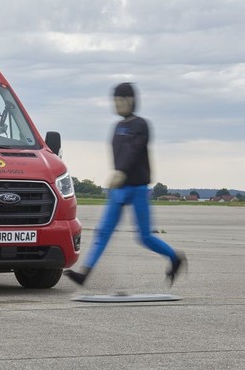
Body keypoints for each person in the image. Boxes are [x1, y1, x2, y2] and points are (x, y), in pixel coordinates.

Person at [65, 82, 187, 287]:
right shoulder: (118, 127)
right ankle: (85, 274)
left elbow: (135, 150)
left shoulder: (141, 125)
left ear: (131, 101)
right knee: (103, 231)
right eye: (115, 100)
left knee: (145, 237)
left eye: (121, 100)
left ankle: (175, 258)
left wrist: (121, 171)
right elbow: (119, 154)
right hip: (119, 189)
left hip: (137, 188)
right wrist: (116, 176)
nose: (117, 104)